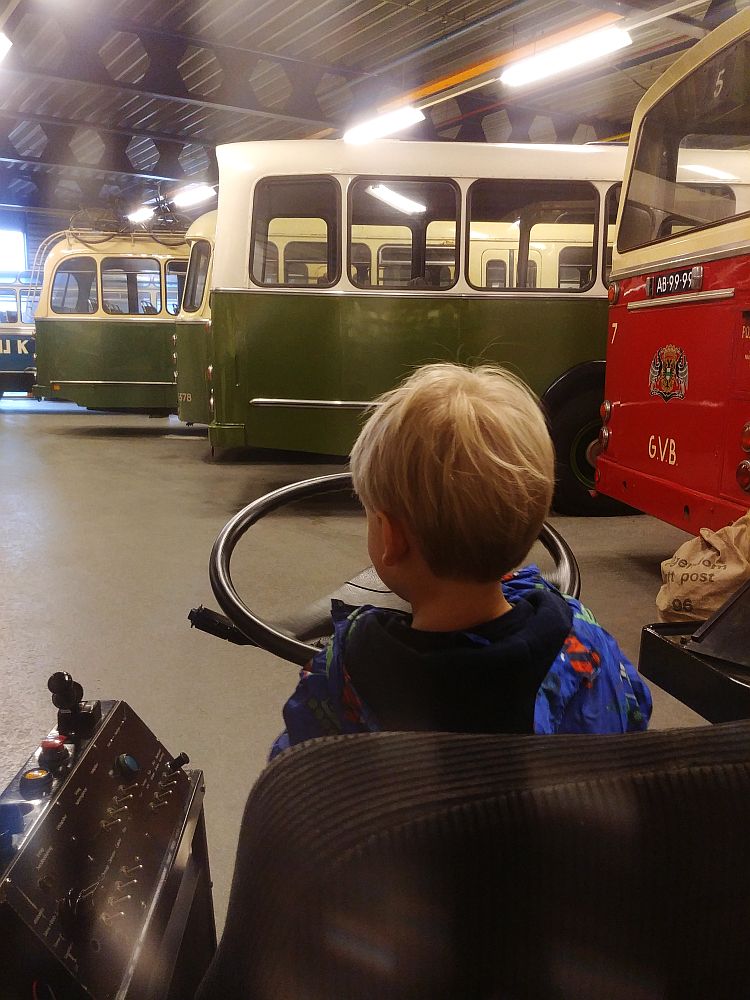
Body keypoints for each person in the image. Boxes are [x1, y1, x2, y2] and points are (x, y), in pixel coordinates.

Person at [270, 363, 651, 758]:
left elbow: (292, 774)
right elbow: (631, 717)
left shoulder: (349, 669)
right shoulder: (584, 641)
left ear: (390, 537)